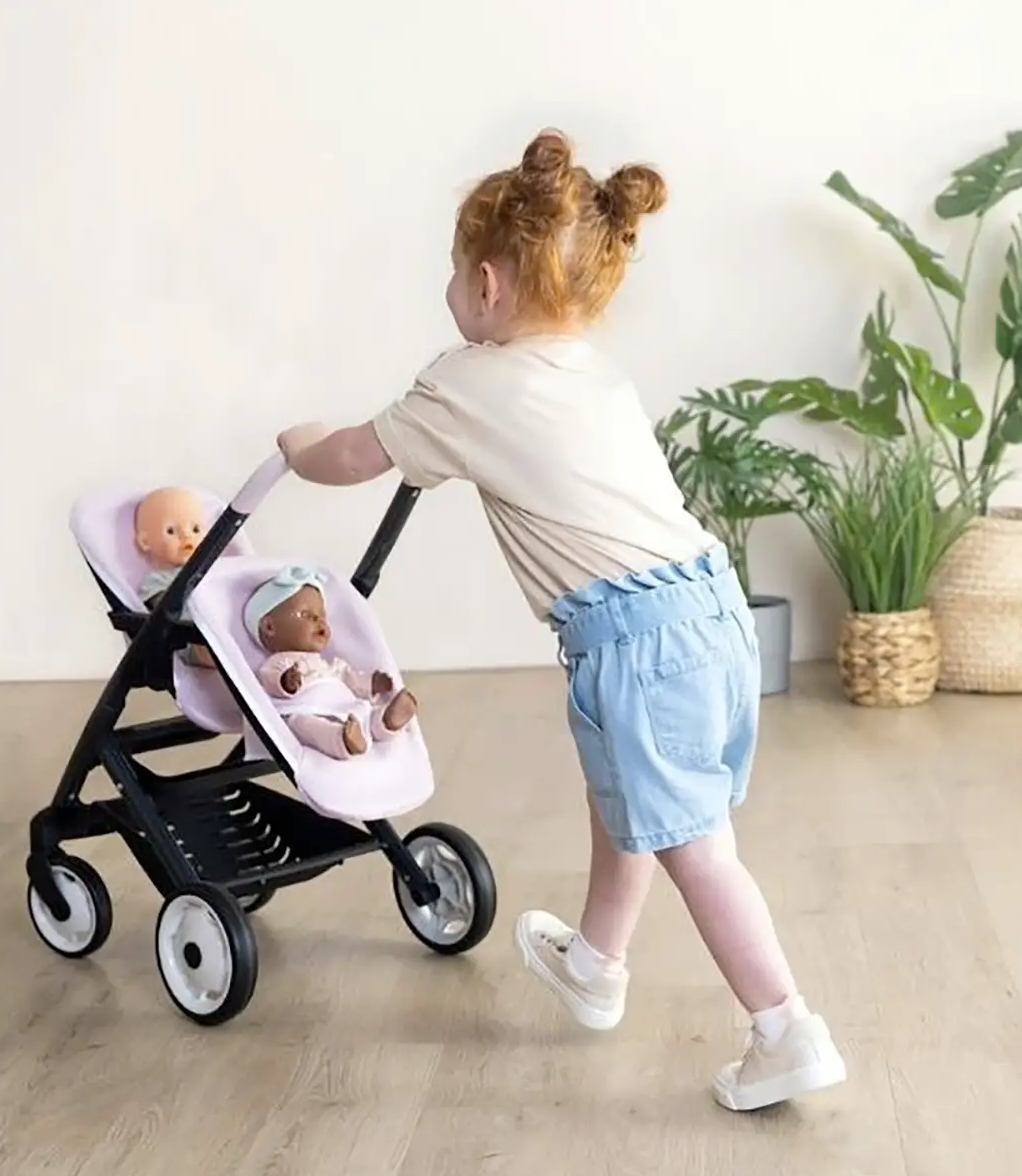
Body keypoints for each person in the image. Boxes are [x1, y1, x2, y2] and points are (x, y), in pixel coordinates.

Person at [275, 129, 844, 1111]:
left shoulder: (462, 381)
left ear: (487, 283)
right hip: (708, 608)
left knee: (696, 845)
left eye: (454, 268)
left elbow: (354, 458)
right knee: (627, 794)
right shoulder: (594, 370)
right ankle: (597, 962)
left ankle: (785, 1027)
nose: (450, 287)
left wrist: (298, 446)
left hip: (638, 640)